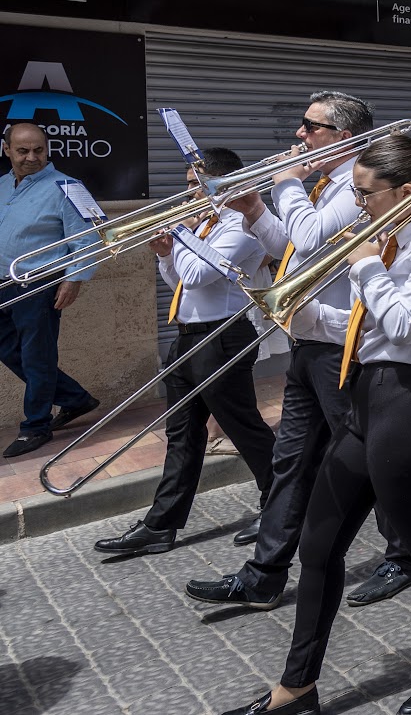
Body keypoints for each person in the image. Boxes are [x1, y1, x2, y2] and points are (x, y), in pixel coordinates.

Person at [219, 136, 411, 715]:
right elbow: (371, 329)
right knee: (318, 545)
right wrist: (307, 315)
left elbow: (406, 327)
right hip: (367, 397)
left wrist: (363, 264)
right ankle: (297, 688)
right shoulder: (390, 240)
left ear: (406, 192)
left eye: (365, 193)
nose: (357, 203)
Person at [187, 92, 411, 610]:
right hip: (307, 342)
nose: (299, 135)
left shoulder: (358, 183)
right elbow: (289, 248)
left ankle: (407, 554)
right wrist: (254, 209)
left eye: (310, 127)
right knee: (291, 461)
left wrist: (285, 184)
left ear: (343, 137)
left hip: (341, 348)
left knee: (371, 459)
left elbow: (310, 236)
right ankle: (263, 575)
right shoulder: (324, 185)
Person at [93, 148, 277, 555]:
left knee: (244, 429)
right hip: (188, 337)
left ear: (221, 184)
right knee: (182, 434)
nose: (187, 194)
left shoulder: (239, 227)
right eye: (189, 184)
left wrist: (179, 232)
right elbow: (179, 279)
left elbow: (196, 274)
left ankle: (280, 505)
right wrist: (165, 253)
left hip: (222, 336)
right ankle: (161, 525)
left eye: (195, 185)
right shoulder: (205, 225)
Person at [0, 121, 99, 459]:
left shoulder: (69, 187)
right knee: (9, 350)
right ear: (7, 150)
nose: (31, 157)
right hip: (3, 284)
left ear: (47, 149)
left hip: (38, 286)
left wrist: (74, 278)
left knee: (37, 356)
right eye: (23, 150)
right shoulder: (3, 185)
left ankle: (36, 426)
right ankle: (74, 398)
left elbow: (89, 239)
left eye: (38, 150)